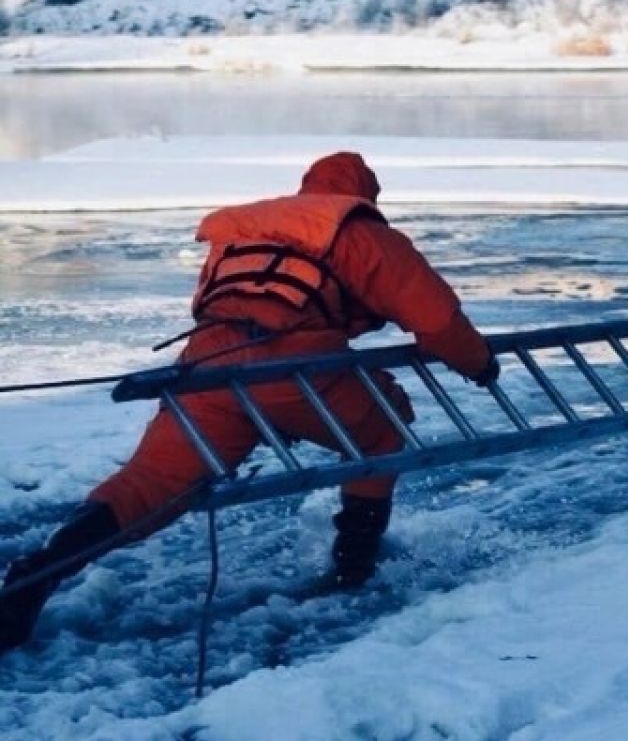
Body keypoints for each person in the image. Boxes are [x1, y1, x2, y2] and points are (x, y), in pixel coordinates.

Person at [0, 151, 498, 653]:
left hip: (208, 365)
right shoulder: (358, 232)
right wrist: (478, 365)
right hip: (296, 369)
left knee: (151, 482)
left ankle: (36, 576)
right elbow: (435, 319)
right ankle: (355, 568)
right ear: (363, 194)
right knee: (381, 433)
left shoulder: (245, 229)